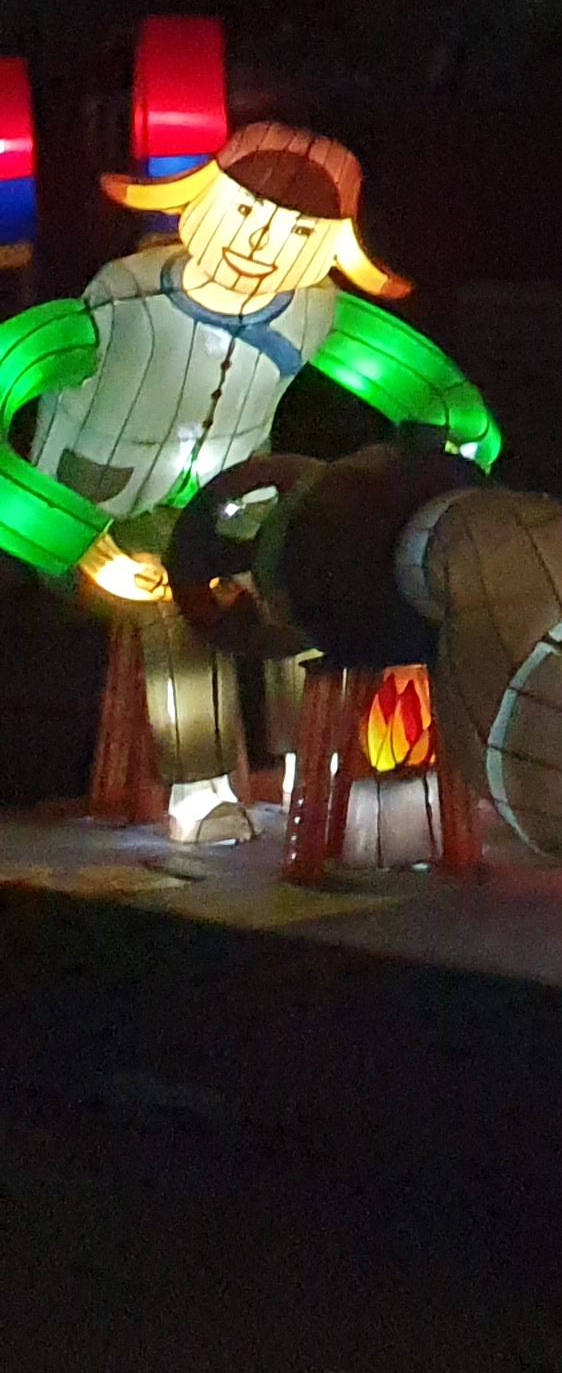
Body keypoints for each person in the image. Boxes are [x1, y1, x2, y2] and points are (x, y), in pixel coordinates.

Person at [0, 124, 497, 838]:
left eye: (298, 232)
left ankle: (313, 768)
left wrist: (429, 482)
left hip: (236, 506)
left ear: (334, 249)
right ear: (196, 200)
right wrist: (71, 538)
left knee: (310, 575)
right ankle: (200, 790)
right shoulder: (115, 308)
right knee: (179, 601)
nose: (260, 243)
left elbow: (443, 401)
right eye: (242, 211)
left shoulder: (312, 312)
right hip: (105, 514)